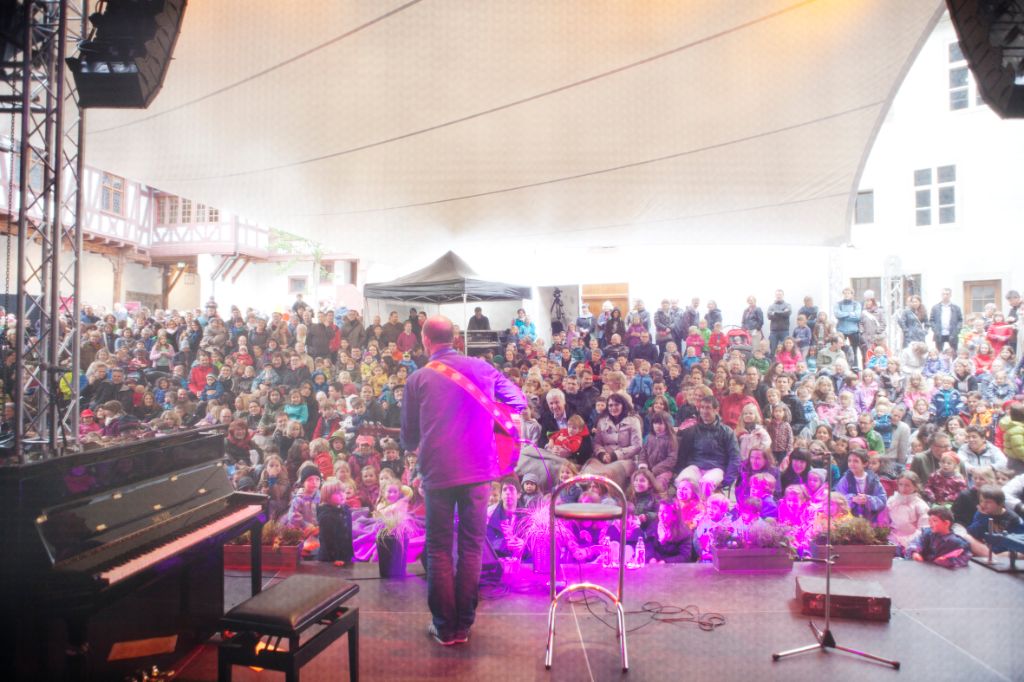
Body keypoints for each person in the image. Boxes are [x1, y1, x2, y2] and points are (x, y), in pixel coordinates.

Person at [401, 315, 527, 646]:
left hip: (438, 473)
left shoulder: (417, 379)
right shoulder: (483, 369)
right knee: (471, 547)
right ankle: (464, 626)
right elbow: (519, 401)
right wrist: (488, 422)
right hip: (479, 473)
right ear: (455, 338)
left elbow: (408, 437)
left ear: (426, 341)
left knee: (440, 548)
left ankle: (445, 628)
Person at [675, 394, 741, 498]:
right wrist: (680, 471)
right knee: (683, 481)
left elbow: (735, 457)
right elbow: (682, 455)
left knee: (706, 483)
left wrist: (727, 480)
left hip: (716, 468)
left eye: (708, 408)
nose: (704, 411)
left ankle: (705, 509)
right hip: (695, 467)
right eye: (702, 408)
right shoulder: (692, 431)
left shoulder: (727, 432)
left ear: (716, 410)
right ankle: (686, 511)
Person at [906, 506, 971, 569]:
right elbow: (917, 541)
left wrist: (949, 561)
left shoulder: (957, 542)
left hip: (942, 573)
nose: (930, 523)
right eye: (929, 521)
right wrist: (914, 552)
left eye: (934, 521)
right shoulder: (927, 533)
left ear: (946, 523)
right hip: (923, 568)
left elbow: (965, 557)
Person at [317, 477, 354, 565]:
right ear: (327, 497)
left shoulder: (345, 509)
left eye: (343, 492)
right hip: (330, 558)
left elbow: (348, 533)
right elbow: (327, 540)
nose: (342, 495)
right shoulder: (326, 516)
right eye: (337, 493)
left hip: (345, 554)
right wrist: (335, 558)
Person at [929, 288, 964, 352]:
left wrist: (956, 331)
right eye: (943, 294)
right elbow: (931, 320)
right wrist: (935, 330)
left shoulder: (956, 308)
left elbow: (960, 320)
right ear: (941, 295)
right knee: (939, 352)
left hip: (952, 334)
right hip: (939, 334)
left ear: (950, 295)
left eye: (947, 294)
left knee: (954, 352)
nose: (945, 296)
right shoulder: (935, 308)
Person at [766, 289, 792, 356]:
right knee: (772, 349)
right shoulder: (771, 306)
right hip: (773, 331)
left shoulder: (787, 305)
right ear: (775, 295)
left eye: (780, 294)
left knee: (786, 349)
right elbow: (769, 316)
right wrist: (782, 312)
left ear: (783, 295)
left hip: (784, 331)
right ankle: (773, 365)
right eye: (777, 294)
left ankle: (785, 364)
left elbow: (787, 313)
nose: (779, 296)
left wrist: (774, 313)